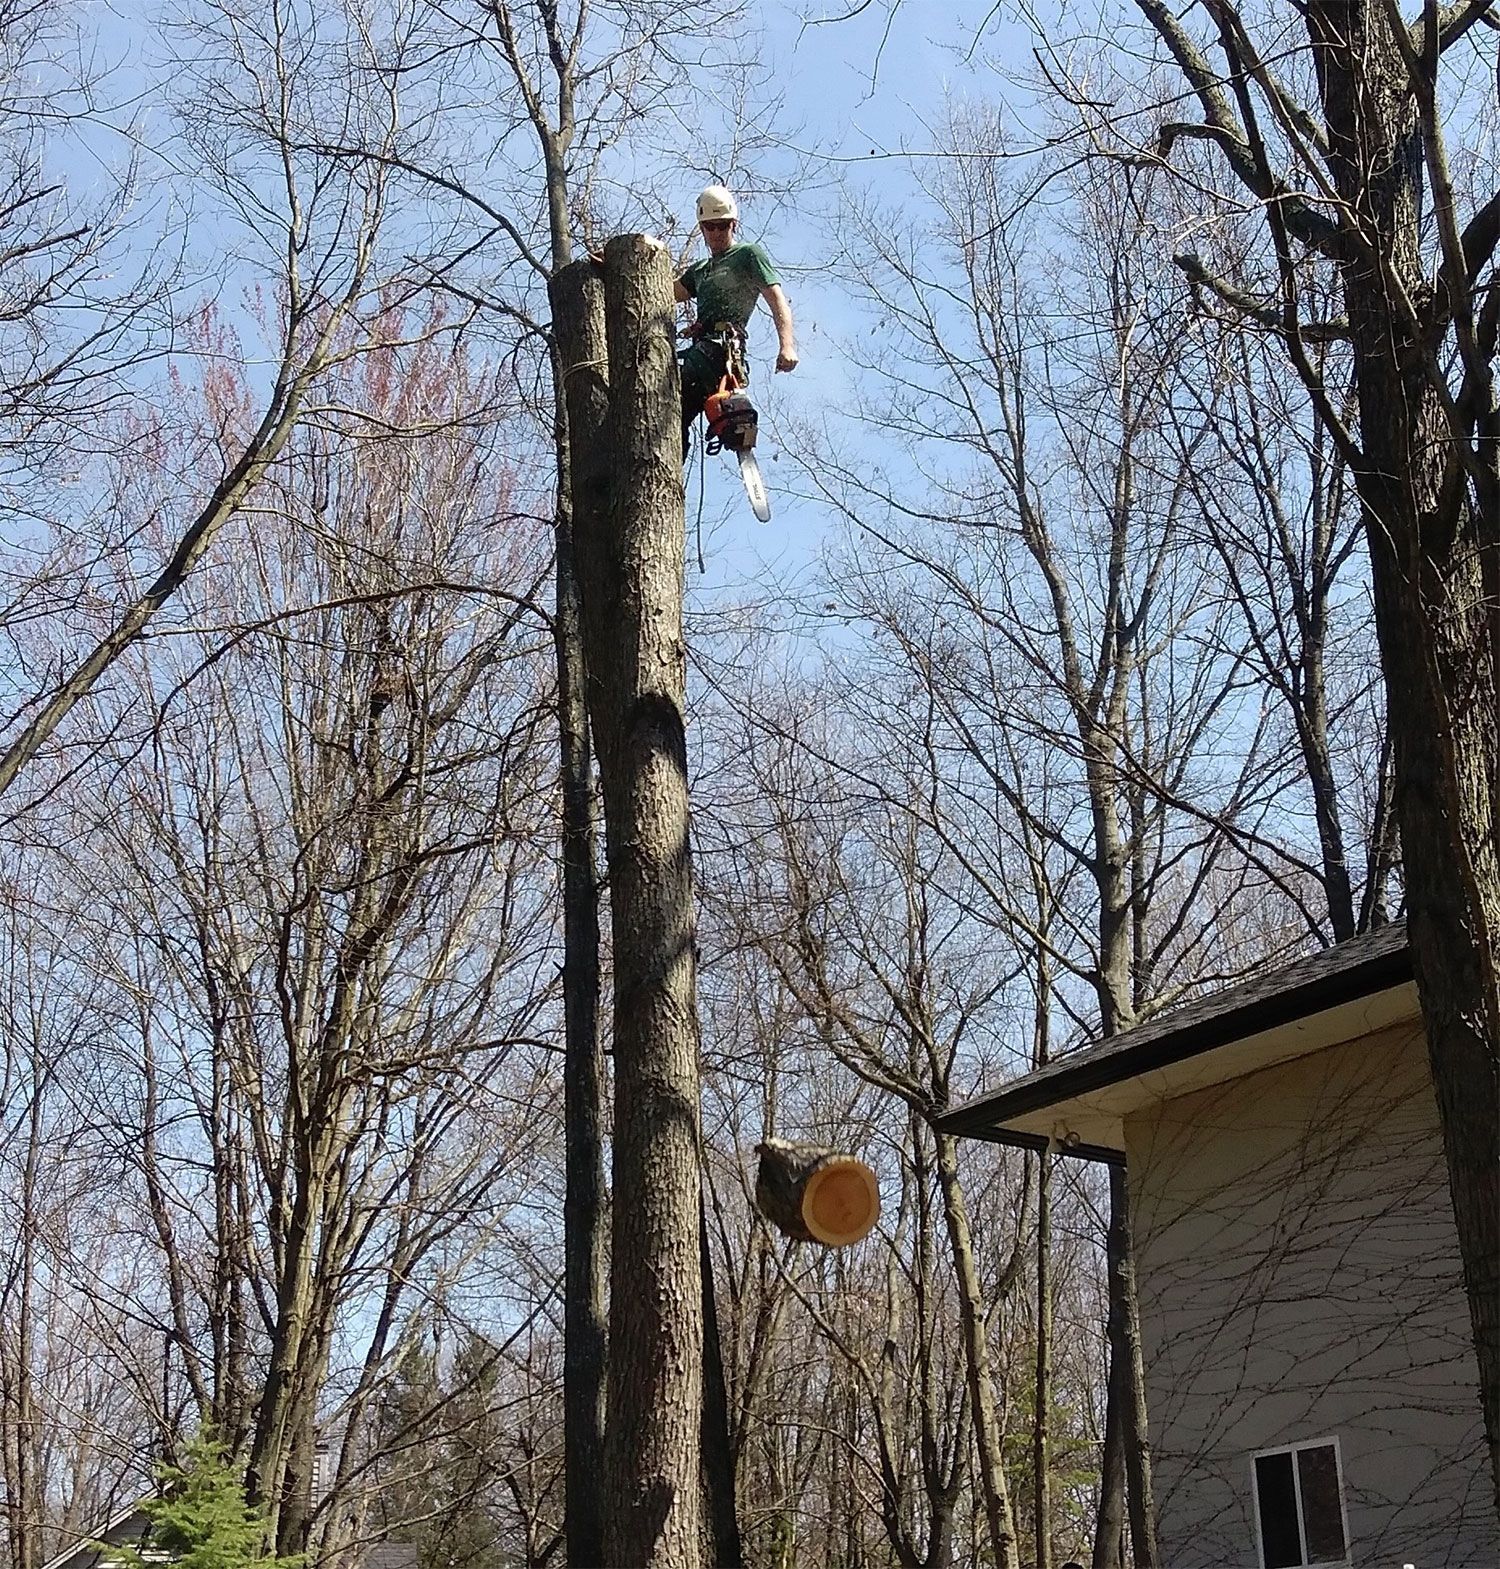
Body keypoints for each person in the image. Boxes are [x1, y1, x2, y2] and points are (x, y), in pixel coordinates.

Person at [674, 185, 798, 452]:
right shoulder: (700, 270)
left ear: (734, 224)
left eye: (723, 225)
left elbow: (777, 300)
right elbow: (664, 291)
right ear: (702, 229)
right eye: (710, 227)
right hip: (700, 350)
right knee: (673, 415)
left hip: (722, 350)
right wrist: (614, 269)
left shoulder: (746, 255)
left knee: (674, 401)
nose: (717, 232)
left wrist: (787, 345)